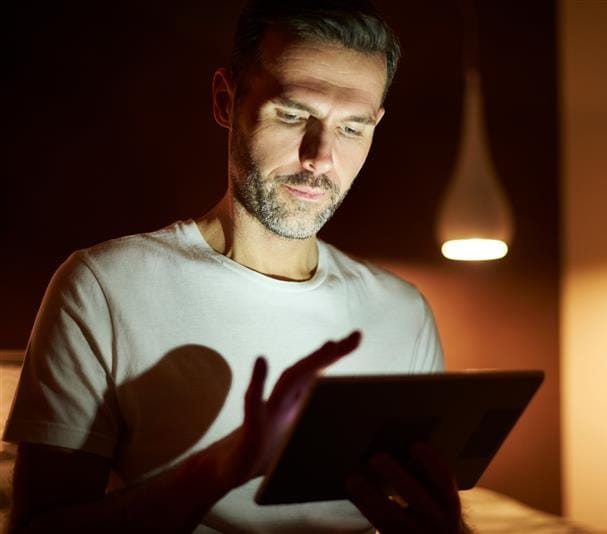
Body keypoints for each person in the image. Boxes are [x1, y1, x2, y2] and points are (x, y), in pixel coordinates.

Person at [2, 1, 466, 532]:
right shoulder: (105, 288)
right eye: (293, 115)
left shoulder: (403, 311)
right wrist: (219, 470)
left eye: (352, 129)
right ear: (226, 100)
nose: (319, 156)